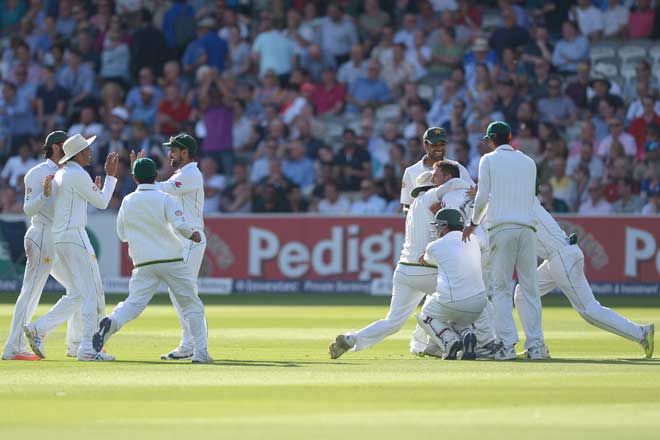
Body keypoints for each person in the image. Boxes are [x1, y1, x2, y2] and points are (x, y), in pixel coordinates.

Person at [328, 167, 471, 359]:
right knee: (461, 297)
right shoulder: (429, 197)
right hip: (425, 269)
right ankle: (452, 340)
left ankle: (352, 338)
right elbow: (453, 183)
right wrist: (472, 187)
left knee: (393, 322)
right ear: (429, 187)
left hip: (404, 271)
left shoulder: (413, 207)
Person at [92, 158, 212, 364]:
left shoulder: (128, 201)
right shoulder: (165, 198)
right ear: (156, 176)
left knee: (133, 304)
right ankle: (200, 353)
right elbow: (180, 224)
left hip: (143, 262)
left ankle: (111, 322)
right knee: (192, 305)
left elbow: (122, 234)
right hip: (171, 259)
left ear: (135, 178)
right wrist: (192, 234)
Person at [515, 200, 654, 358]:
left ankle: (641, 333)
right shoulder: (520, 197)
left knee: (590, 310)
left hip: (561, 258)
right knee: (522, 294)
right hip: (557, 257)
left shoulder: (518, 199)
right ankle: (536, 346)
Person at [24, 135, 119, 361]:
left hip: (60, 237)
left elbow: (72, 201)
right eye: (86, 149)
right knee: (92, 293)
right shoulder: (77, 174)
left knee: (78, 292)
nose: (90, 151)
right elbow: (104, 202)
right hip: (75, 235)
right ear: (77, 154)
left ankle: (42, 330)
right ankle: (88, 348)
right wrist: (111, 177)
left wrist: (91, 191)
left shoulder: (62, 174)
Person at [463, 121, 548, 360]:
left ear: (491, 141)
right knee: (530, 290)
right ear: (509, 138)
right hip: (528, 229)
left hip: (502, 227)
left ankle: (507, 346)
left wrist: (473, 222)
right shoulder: (529, 162)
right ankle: (536, 346)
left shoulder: (488, 160)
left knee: (500, 289)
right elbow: (531, 196)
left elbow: (481, 198)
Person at [2, 131, 81, 361]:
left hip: (55, 237)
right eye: (66, 146)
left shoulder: (66, 172)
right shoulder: (38, 173)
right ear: (57, 147)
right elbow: (28, 208)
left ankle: (75, 343)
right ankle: (13, 348)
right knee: (31, 291)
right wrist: (45, 196)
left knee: (78, 289)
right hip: (42, 234)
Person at [133, 133, 205, 361]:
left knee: (185, 293)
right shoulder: (183, 173)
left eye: (174, 150)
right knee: (181, 293)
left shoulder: (191, 174)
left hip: (191, 238)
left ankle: (192, 345)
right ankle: (191, 343)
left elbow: (163, 188)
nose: (170, 153)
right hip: (183, 239)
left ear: (185, 152)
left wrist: (140, 174)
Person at [415, 208, 486, 360]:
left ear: (445, 226)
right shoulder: (474, 240)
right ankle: (468, 334)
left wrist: (424, 258)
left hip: (453, 302)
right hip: (479, 304)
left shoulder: (434, 246)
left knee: (426, 314)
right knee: (457, 316)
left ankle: (450, 340)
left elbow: (425, 259)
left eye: (438, 225)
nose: (436, 229)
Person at [400, 127, 473, 212]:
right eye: (434, 145)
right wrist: (422, 212)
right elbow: (406, 206)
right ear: (425, 145)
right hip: (424, 224)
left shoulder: (458, 167)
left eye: (442, 144)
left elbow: (471, 194)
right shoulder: (411, 172)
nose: (439, 148)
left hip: (451, 223)